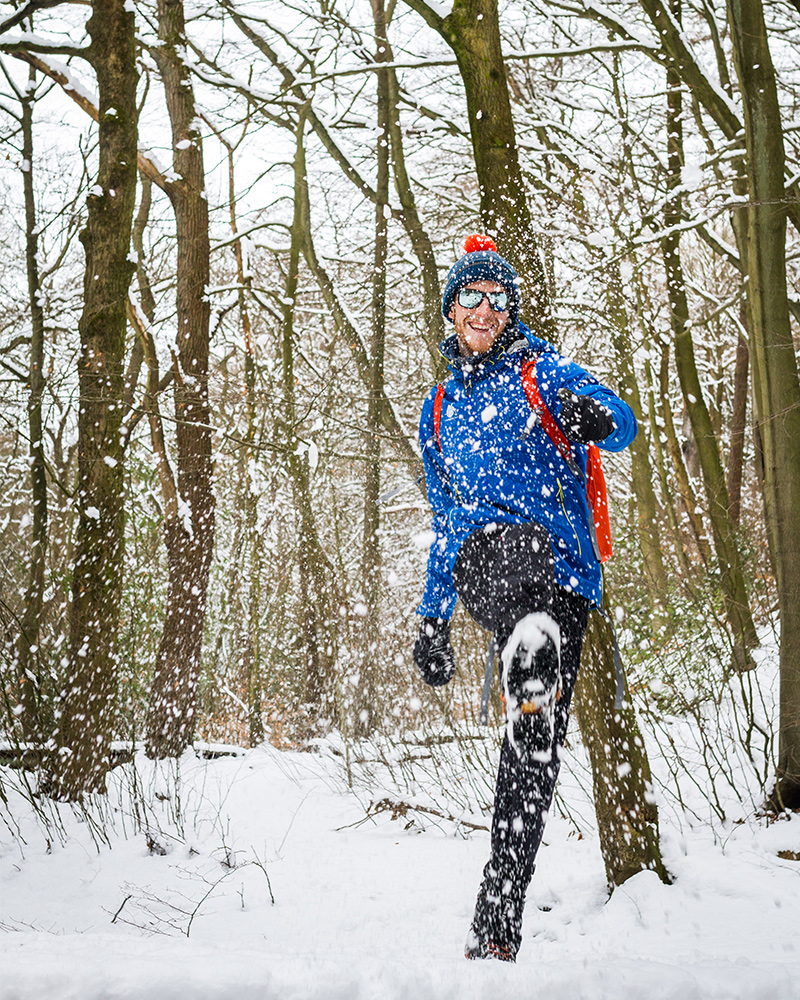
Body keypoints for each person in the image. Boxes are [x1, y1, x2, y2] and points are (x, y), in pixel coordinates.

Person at [413, 234, 637, 962]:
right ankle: (527, 645)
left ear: (510, 310)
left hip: (564, 575)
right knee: (502, 551)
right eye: (470, 296)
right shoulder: (439, 409)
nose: (484, 308)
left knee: (531, 753)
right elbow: (445, 520)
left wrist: (592, 416)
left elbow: (622, 420)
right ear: (451, 310)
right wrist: (433, 618)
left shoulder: (544, 372)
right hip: (486, 563)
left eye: (497, 298)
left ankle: (496, 923)